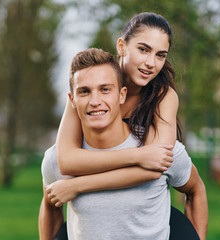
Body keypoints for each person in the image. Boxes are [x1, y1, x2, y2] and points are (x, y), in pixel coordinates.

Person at [39, 48, 205, 240]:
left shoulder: (160, 152)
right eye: (84, 91)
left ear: (122, 95)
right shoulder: (55, 160)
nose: (95, 101)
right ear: (72, 100)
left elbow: (196, 190)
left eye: (105, 89)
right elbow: (50, 207)